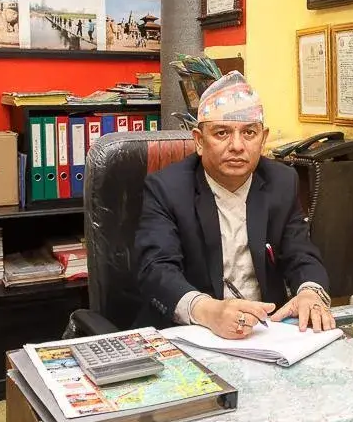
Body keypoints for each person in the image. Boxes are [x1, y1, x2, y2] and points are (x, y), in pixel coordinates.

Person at [135, 71, 334, 339]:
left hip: (264, 332)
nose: (237, 146)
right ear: (199, 140)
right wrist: (208, 310)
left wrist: (311, 292)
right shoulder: (167, 188)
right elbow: (156, 268)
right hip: (193, 332)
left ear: (262, 139)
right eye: (222, 133)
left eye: (249, 133)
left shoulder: (282, 182)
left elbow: (301, 253)